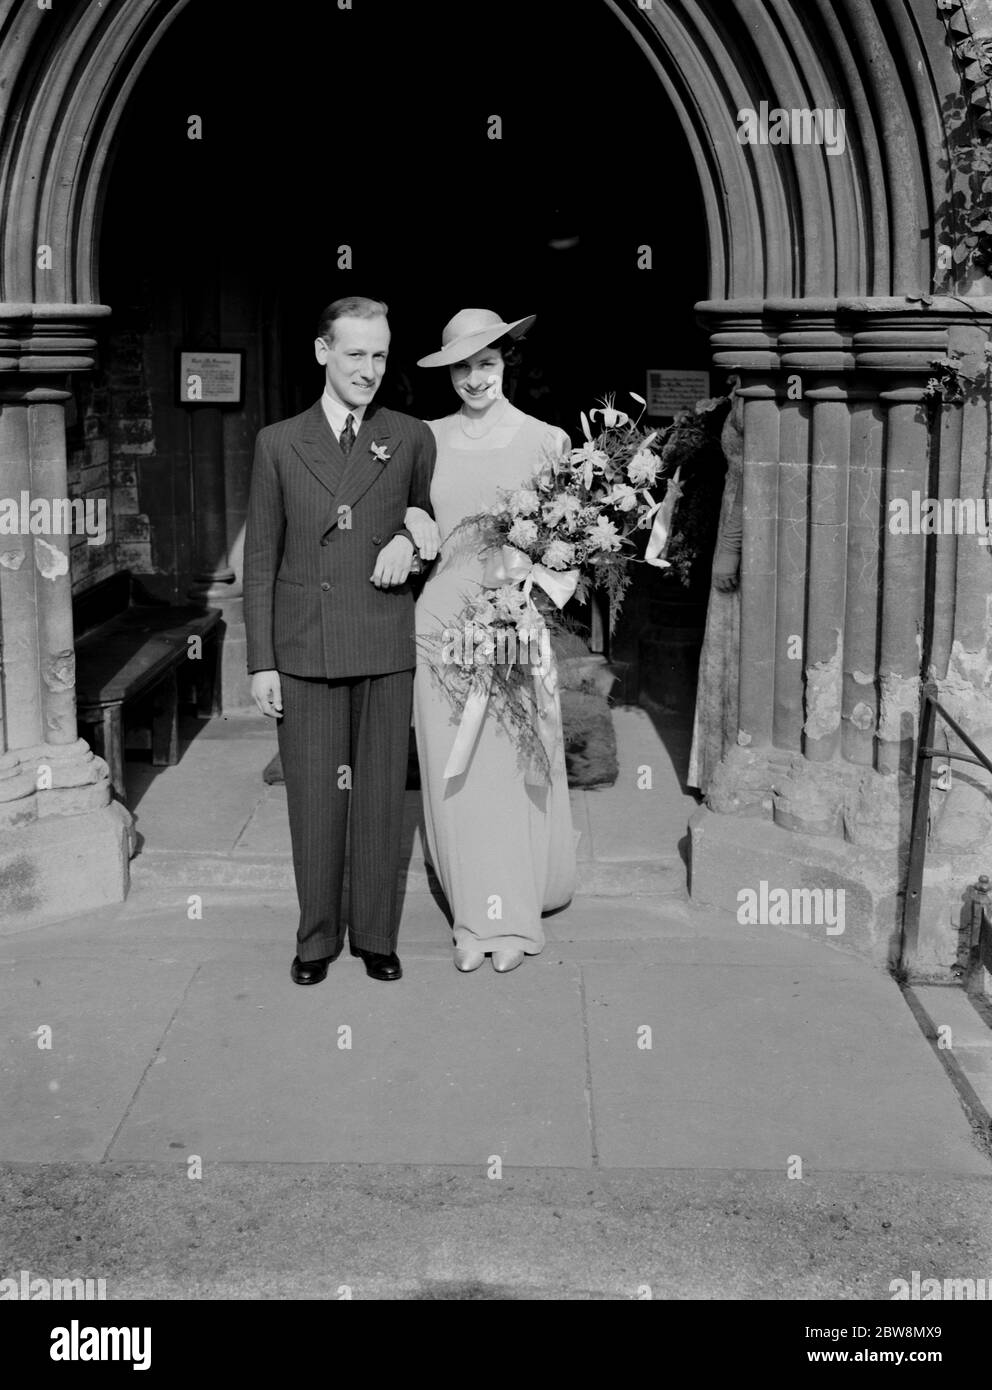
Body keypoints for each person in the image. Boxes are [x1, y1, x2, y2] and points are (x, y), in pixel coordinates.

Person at [243, 296, 436, 985]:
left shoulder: (410, 435)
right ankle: (317, 938)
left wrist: (412, 543)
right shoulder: (277, 441)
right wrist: (260, 661)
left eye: (380, 354)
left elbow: (427, 518)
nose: (369, 368)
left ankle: (376, 936)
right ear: (323, 352)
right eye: (355, 353)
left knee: (382, 798)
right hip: (305, 650)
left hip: (383, 642)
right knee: (316, 801)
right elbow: (261, 556)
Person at [412, 308, 577, 974]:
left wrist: (525, 603)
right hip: (441, 627)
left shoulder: (549, 440)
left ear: (507, 362)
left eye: (487, 363)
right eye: (462, 366)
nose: (474, 378)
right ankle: (470, 919)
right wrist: (409, 525)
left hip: (511, 622)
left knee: (508, 770)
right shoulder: (424, 438)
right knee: (457, 774)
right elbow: (410, 515)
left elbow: (564, 553)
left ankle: (508, 920)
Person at [687, 380, 744, 794]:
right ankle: (715, 768)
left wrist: (729, 549)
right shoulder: (741, 395)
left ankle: (733, 769)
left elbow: (751, 480)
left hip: (744, 532)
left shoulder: (755, 400)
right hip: (731, 515)